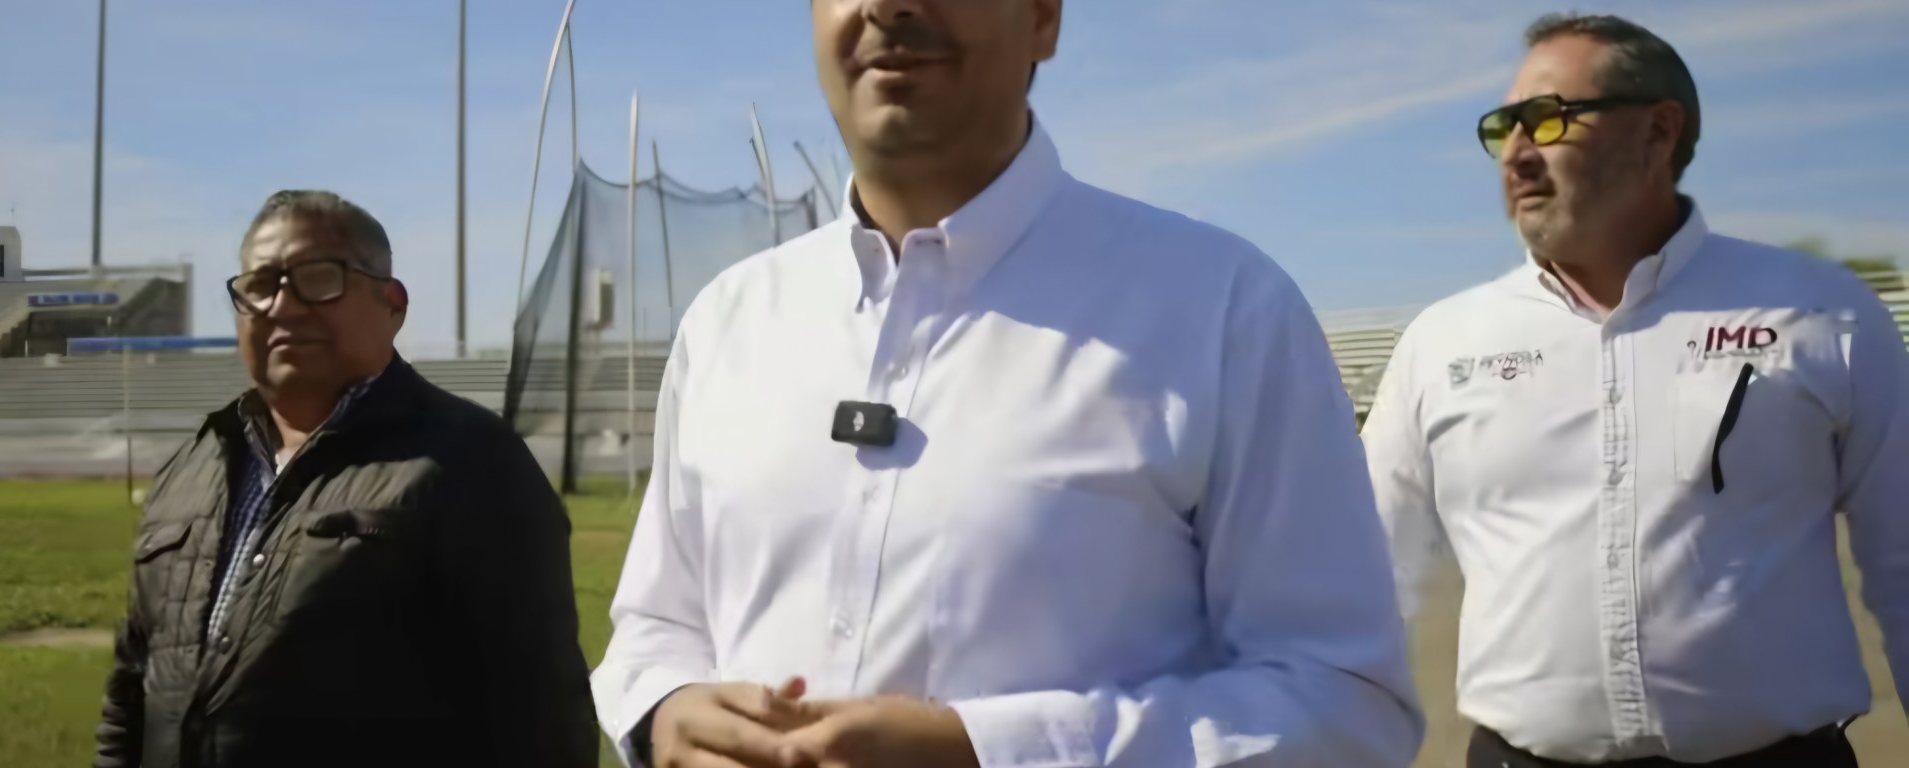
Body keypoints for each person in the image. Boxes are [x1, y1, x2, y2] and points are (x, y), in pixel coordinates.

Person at [589, 1, 1424, 766]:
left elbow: (1345, 704)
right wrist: (666, 710)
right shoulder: (728, 322)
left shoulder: (1225, 311)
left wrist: (995, 752)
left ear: (1043, 20)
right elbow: (657, 625)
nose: (887, 7)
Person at [1362, 12, 1909, 768]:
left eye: (1546, 119)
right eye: (1503, 127)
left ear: (1658, 131)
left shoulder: (1821, 312)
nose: (1516, 153)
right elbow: (1363, 580)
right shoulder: (1443, 342)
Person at [94, 191, 597, 768]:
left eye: (318, 278)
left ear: (392, 304)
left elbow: (540, 721)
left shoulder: (475, 464)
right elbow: (130, 692)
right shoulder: (192, 466)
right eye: (260, 285)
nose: (283, 306)